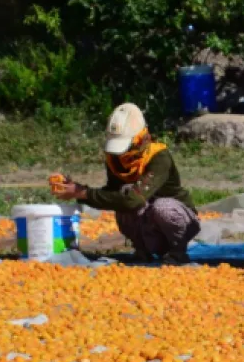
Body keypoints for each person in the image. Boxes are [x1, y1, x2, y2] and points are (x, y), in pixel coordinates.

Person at [52, 103, 199, 263]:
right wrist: (76, 190)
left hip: (177, 221)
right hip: (147, 223)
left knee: (159, 206)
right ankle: (142, 249)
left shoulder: (158, 157)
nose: (124, 154)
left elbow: (133, 200)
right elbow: (112, 194)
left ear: (142, 139)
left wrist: (83, 192)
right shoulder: (115, 159)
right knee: (122, 193)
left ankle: (178, 251)